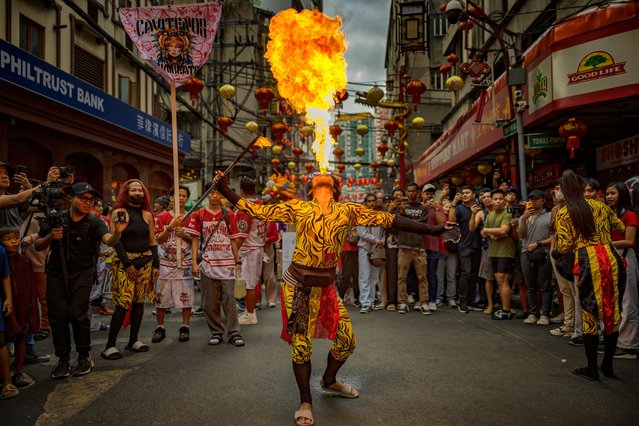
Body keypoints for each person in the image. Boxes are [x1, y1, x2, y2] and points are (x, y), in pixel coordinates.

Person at [214, 171, 447, 426]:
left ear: (336, 190)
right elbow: (255, 210)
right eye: (317, 180)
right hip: (298, 288)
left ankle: (328, 380)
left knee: (347, 341)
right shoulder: (298, 207)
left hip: (326, 289)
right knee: (302, 346)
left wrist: (434, 230)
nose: (322, 180)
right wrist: (225, 189)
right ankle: (305, 401)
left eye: (328, 180)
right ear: (311, 190)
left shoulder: (349, 211)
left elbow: (391, 220)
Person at [35, 182, 126, 378]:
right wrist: (52, 235)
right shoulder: (57, 218)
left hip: (83, 272)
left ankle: (84, 356)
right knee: (58, 317)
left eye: (91, 200)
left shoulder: (95, 221)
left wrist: (118, 231)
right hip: (56, 273)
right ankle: (63, 359)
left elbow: (109, 240)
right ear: (71, 198)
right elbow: (38, 245)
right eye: (83, 198)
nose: (87, 203)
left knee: (77, 314)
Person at [555, 170, 625, 380]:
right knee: (613, 309)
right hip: (611, 258)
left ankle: (592, 368)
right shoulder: (600, 206)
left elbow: (565, 245)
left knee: (589, 312)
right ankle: (608, 365)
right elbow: (620, 226)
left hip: (588, 261)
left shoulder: (564, 212)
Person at [102, 179, 158, 360]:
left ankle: (133, 340)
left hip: (146, 262)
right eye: (134, 190)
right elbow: (115, 240)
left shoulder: (147, 215)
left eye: (141, 190)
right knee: (122, 304)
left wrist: (156, 264)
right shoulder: (118, 212)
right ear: (126, 193)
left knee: (139, 302)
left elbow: (152, 241)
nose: (138, 193)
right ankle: (110, 345)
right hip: (126, 264)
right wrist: (128, 264)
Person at [187, 183, 244, 347]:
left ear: (221, 195)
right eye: (211, 193)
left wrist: (237, 260)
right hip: (207, 263)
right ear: (206, 195)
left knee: (229, 301)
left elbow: (233, 240)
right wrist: (194, 264)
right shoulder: (199, 214)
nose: (214, 196)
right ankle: (216, 332)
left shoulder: (229, 214)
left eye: (217, 192)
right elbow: (195, 240)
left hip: (226, 265)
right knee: (209, 303)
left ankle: (234, 332)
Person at [152, 185, 194, 344]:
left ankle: (185, 327)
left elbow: (196, 241)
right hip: (165, 263)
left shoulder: (192, 216)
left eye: (184, 195)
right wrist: (169, 228)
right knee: (161, 296)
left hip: (185, 262)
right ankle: (160, 327)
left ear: (187, 198)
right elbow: (158, 240)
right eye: (178, 195)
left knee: (187, 297)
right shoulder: (162, 217)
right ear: (171, 198)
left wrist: (184, 235)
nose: (181, 198)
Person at [0, 227, 39, 390]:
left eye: (16, 238)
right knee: (3, 341)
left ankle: (18, 372)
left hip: (22, 306)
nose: (14, 242)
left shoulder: (24, 261)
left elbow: (31, 286)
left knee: (21, 337)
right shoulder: (3, 258)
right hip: (5, 306)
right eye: (8, 239)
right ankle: (5, 375)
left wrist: (31, 307)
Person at [605, 182, 638, 360]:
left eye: (613, 193)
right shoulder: (607, 215)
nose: (609, 196)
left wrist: (604, 243)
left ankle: (630, 346)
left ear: (622, 194)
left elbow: (630, 241)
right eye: (607, 193)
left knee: (628, 302)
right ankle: (619, 341)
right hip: (610, 257)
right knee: (614, 301)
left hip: (625, 256)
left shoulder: (630, 215)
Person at [235, 178, 268, 325]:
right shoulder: (260, 205)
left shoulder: (246, 207)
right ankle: (249, 311)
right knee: (251, 282)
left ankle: (250, 314)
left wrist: (234, 252)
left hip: (249, 248)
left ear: (241, 191)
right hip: (258, 246)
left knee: (248, 284)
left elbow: (241, 235)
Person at [518, 190, 552, 326]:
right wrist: (524, 219)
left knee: (545, 285)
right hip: (526, 253)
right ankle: (533, 313)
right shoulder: (523, 217)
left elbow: (553, 237)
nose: (533, 201)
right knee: (530, 285)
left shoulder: (549, 216)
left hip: (543, 252)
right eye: (531, 199)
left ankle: (545, 314)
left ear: (543, 200)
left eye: (536, 199)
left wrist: (539, 244)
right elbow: (521, 235)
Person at [480, 190, 515, 319]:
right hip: (493, 251)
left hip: (505, 251)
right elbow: (483, 234)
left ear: (504, 200)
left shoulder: (507, 213)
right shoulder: (490, 214)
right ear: (492, 200)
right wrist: (491, 234)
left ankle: (506, 310)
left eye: (500, 199)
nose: (498, 201)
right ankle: (505, 307)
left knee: (503, 278)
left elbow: (504, 229)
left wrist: (488, 230)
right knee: (498, 280)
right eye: (496, 199)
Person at [396, 183, 430, 315]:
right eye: (409, 191)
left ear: (418, 192)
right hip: (404, 246)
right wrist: (401, 213)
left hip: (419, 247)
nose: (411, 193)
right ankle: (403, 302)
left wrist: (406, 219)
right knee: (401, 277)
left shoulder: (424, 208)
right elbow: (397, 224)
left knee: (422, 277)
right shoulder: (401, 208)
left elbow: (421, 226)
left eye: (413, 191)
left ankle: (424, 303)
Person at [449, 186, 482, 313]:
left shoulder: (479, 208)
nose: (465, 195)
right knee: (466, 273)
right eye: (463, 193)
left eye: (467, 192)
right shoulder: (459, 208)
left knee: (474, 275)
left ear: (473, 194)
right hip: (464, 245)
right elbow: (451, 221)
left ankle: (471, 301)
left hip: (477, 244)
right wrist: (453, 204)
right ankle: (462, 301)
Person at [356, 194, 384, 313]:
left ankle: (371, 301)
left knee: (374, 277)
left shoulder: (380, 216)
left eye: (374, 201)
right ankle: (365, 302)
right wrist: (377, 240)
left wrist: (382, 240)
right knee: (364, 276)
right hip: (365, 249)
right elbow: (362, 233)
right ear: (365, 203)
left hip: (377, 249)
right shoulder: (361, 216)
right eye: (369, 201)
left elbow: (384, 231)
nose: (372, 203)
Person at [421, 183, 446, 311]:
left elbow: (442, 225)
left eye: (432, 193)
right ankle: (421, 300)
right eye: (427, 193)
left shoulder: (439, 207)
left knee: (432, 275)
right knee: (420, 275)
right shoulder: (419, 207)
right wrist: (424, 208)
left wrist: (436, 209)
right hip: (419, 246)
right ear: (422, 194)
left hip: (433, 246)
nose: (430, 195)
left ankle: (432, 300)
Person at [0, 240, 18, 399]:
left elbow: (5, 275)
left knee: (1, 341)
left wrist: (8, 299)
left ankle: (7, 383)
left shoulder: (0, 250)